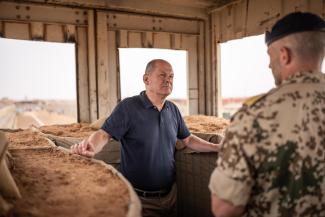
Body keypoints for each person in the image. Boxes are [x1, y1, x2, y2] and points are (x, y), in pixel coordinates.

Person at [209, 11, 325, 217]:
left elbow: (224, 208)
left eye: (270, 57)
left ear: (284, 55)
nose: (269, 65)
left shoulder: (254, 115)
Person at [71, 59, 220, 217]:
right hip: (141, 200)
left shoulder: (173, 109)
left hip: (170, 195)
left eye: (171, 76)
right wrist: (91, 147)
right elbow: (103, 134)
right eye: (162, 75)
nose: (168, 79)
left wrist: (218, 148)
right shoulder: (128, 107)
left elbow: (188, 140)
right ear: (146, 79)